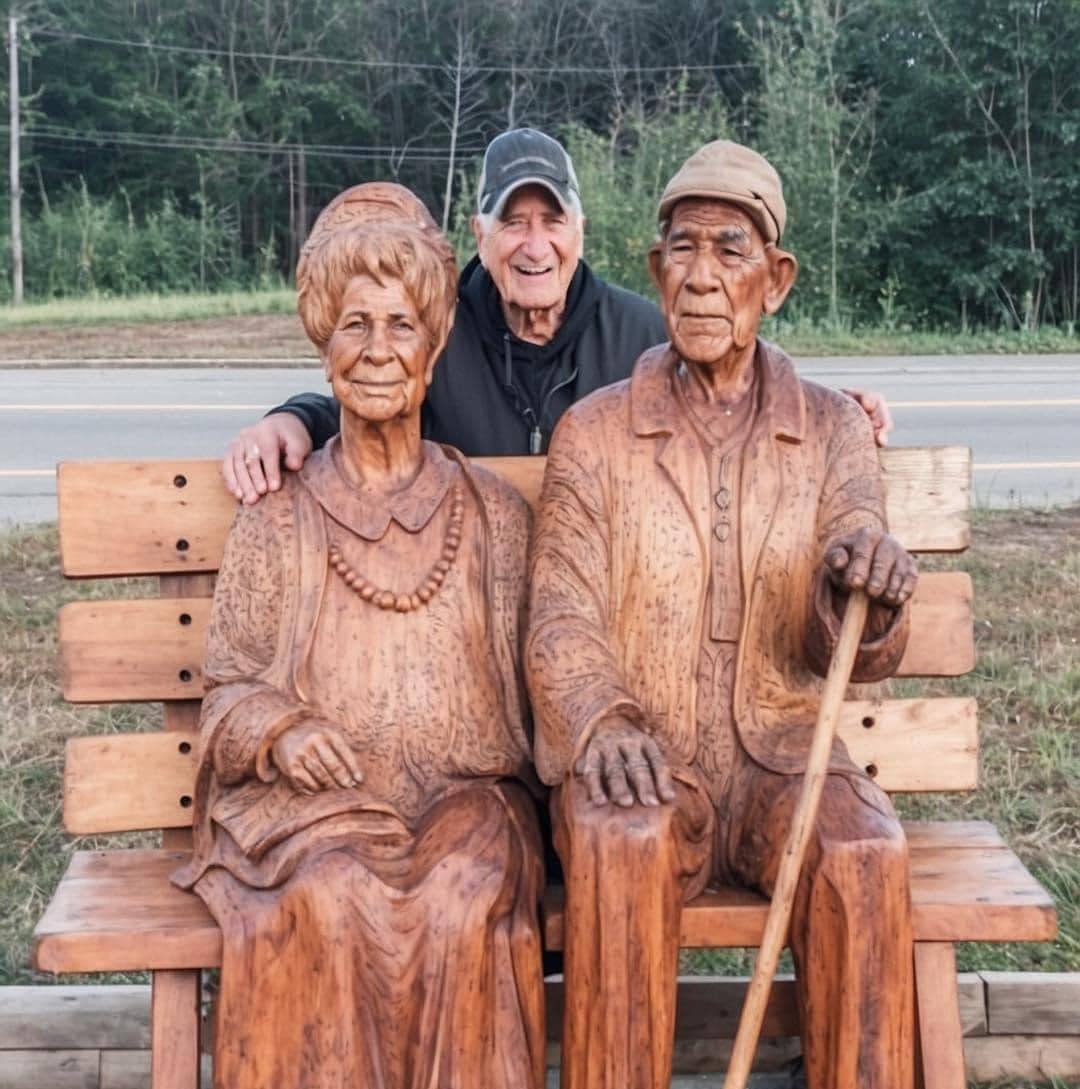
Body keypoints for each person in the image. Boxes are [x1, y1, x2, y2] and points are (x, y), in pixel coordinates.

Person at [525, 140, 919, 1089]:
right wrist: (604, 717)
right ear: (656, 269)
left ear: (774, 280)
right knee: (620, 840)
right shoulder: (597, 431)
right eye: (682, 249)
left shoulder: (830, 431)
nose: (703, 277)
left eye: (730, 250)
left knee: (863, 850)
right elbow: (559, 615)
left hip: (784, 755)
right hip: (651, 754)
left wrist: (865, 583)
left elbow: (860, 644)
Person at [174, 183, 546, 1089]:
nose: (378, 350)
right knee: (326, 901)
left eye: (400, 325)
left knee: (464, 894)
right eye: (354, 326)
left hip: (469, 803)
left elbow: (548, 678)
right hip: (320, 822)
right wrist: (280, 729)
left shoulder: (491, 516)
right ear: (322, 343)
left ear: (432, 346)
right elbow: (225, 692)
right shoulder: (280, 518)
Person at [222, 128, 893, 502]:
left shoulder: (646, 334)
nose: (534, 245)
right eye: (514, 221)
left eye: (552, 221)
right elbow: (370, 392)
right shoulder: (434, 334)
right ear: (478, 234)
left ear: (581, 231)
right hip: (473, 615)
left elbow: (737, 391)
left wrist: (830, 408)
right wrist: (294, 418)